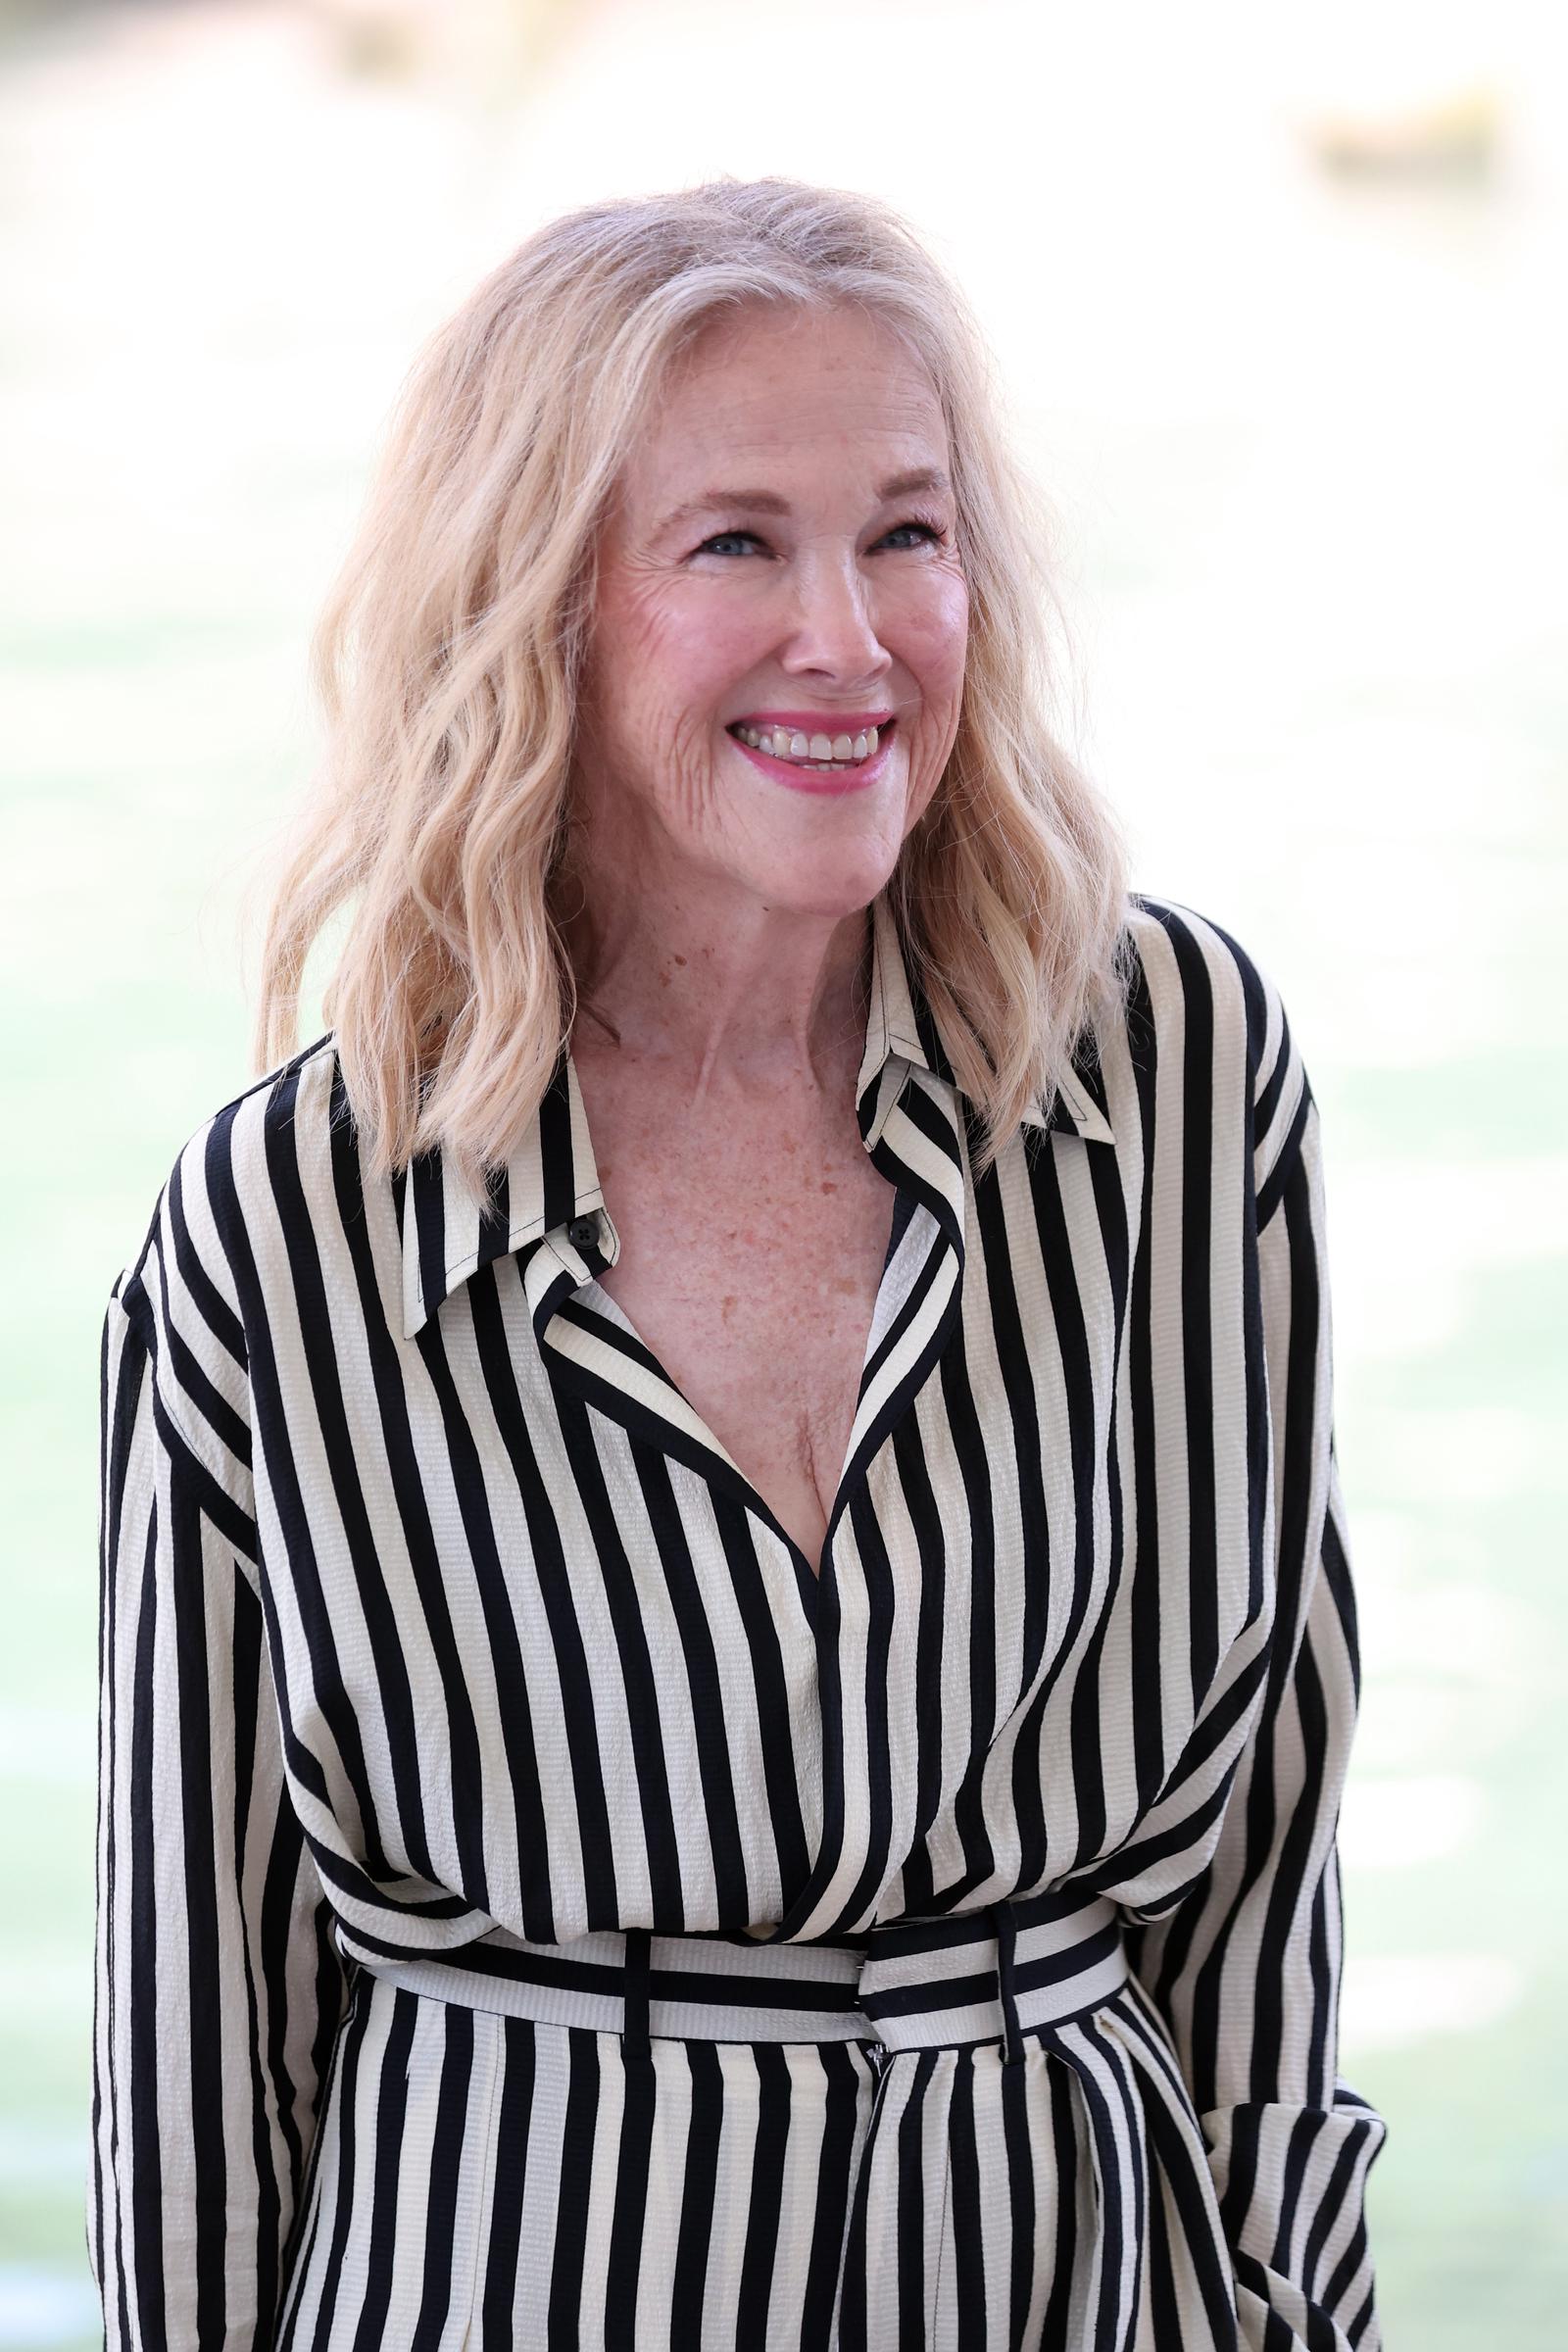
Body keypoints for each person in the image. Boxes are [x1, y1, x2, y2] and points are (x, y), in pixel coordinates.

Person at [87, 175, 1388, 2350]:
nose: (851, 639)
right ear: (537, 610)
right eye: (732, 545)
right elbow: (203, 2075)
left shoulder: (1173, 1078)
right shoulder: (277, 1240)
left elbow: (1262, 1881)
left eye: (905, 531)